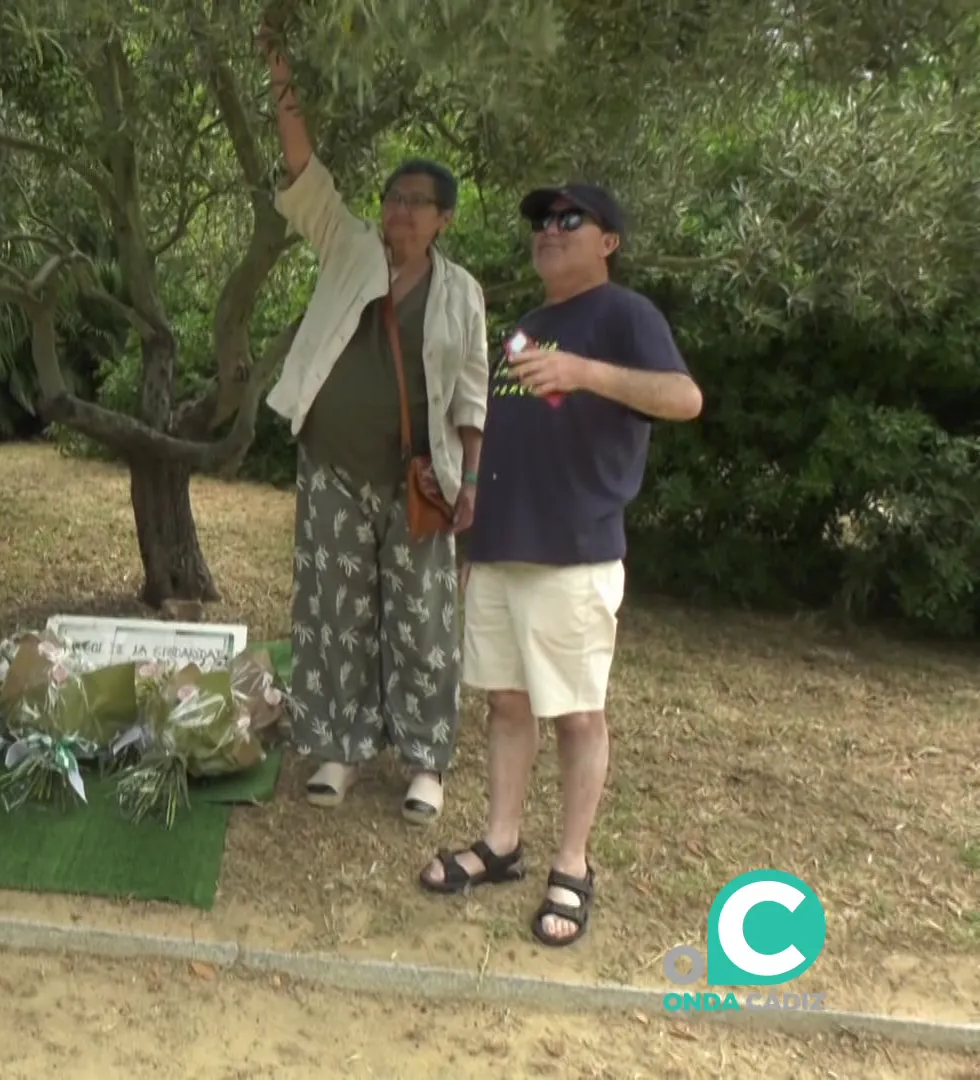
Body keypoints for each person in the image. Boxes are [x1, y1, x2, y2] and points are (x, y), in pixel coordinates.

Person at [418, 183, 703, 948]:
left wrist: (586, 373)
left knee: (578, 713)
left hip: (574, 553)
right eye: (542, 221)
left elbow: (684, 398)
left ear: (608, 240)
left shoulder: (625, 316)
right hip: (505, 550)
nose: (549, 230)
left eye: (568, 220)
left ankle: (572, 864)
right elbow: (508, 439)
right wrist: (478, 534)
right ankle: (502, 843)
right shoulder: (529, 328)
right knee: (507, 706)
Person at [259, 29, 491, 823]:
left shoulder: (463, 294)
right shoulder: (350, 247)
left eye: (416, 202)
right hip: (332, 467)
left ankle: (426, 762)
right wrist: (282, 78)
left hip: (420, 480)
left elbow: (472, 394)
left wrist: (472, 482)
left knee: (425, 622)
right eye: (394, 198)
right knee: (331, 612)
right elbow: (305, 175)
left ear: (443, 218)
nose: (399, 210)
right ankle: (337, 749)